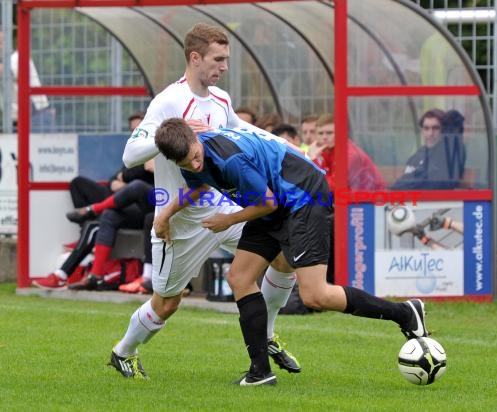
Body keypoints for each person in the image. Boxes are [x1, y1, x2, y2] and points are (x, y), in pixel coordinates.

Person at [154, 119, 430, 386]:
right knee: (239, 278)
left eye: (195, 156)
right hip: (273, 201)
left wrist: (228, 220)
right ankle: (260, 373)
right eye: (186, 163)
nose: (194, 164)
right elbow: (199, 186)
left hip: (303, 197)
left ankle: (405, 312)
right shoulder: (187, 155)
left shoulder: (230, 158)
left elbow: (268, 204)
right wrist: (165, 214)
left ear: (195, 140)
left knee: (315, 295)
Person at [109, 22, 300, 381]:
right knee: (168, 301)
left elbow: (240, 131)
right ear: (195, 58)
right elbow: (130, 154)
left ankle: (268, 334)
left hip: (222, 207)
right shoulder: (169, 101)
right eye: (218, 59)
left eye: (226, 59)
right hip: (178, 218)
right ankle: (124, 351)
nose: (224, 67)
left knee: (282, 256)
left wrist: (280, 143)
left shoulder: (222, 100)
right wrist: (175, 135)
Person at [32, 112, 152, 290]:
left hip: (155, 204)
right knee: (100, 206)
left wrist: (126, 178)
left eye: (139, 130)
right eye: (133, 131)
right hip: (128, 204)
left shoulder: (158, 146)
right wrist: (122, 180)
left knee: (136, 188)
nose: (136, 134)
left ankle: (93, 210)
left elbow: (142, 171)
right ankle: (85, 275)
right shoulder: (135, 152)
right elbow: (114, 179)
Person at [391, 109, 466, 190]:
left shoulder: (446, 154)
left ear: (443, 130)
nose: (430, 133)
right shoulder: (418, 154)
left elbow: (434, 181)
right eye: (426, 128)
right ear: (422, 131)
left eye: (435, 128)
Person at [313, 113, 386, 191]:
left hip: (370, 199)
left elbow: (332, 187)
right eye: (320, 133)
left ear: (340, 133)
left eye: (329, 133)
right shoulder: (325, 151)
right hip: (353, 198)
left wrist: (313, 160)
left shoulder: (349, 154)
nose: (324, 137)